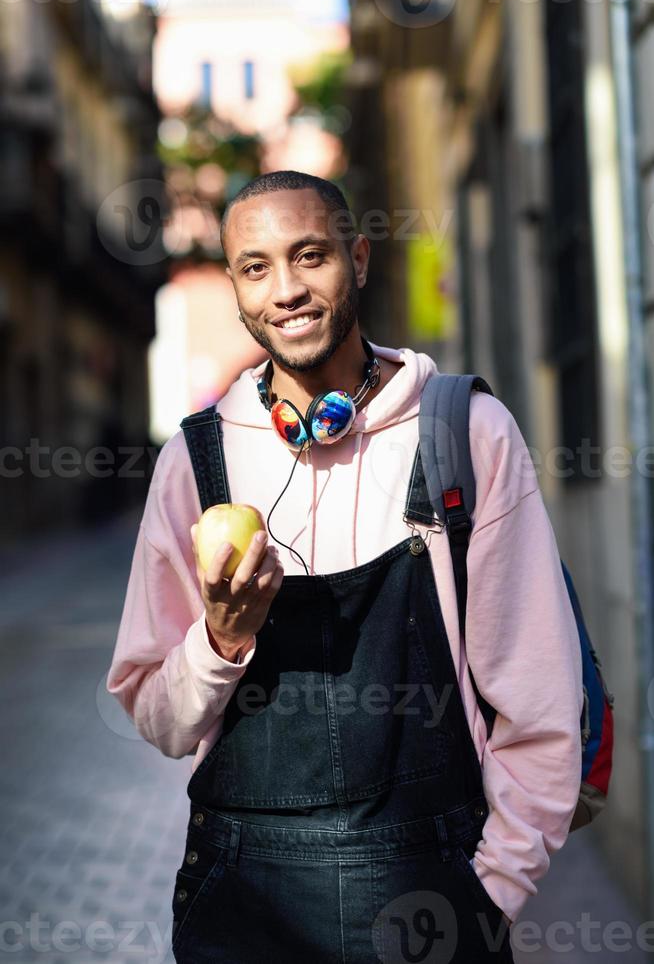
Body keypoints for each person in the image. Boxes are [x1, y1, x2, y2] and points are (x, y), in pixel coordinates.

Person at [106, 170, 583, 963]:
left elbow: (538, 700)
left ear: (358, 260)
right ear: (234, 289)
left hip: (429, 901)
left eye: (310, 256)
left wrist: (492, 891)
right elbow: (159, 718)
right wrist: (220, 640)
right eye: (255, 268)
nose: (285, 289)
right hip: (243, 900)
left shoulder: (465, 433)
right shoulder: (196, 462)